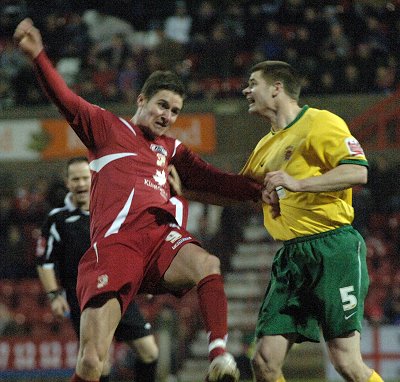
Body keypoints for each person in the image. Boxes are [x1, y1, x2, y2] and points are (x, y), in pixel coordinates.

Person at [14, 18, 262, 382]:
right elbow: (66, 100)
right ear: (141, 99)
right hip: (116, 247)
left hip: (159, 239)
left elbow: (217, 181)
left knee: (207, 263)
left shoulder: (172, 150)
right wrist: (38, 56)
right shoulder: (107, 129)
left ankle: (219, 357)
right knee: (91, 362)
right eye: (162, 105)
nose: (167, 116)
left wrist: (262, 189)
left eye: (175, 111)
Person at [239, 61, 384, 382]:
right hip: (291, 257)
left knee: (346, 363)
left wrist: (298, 183)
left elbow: (357, 171)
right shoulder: (264, 146)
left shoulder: (321, 122)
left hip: (333, 249)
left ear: (277, 88)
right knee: (263, 361)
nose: (246, 91)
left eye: (253, 83)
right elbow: (237, 191)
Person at [35, 156, 158, 382]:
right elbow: (45, 261)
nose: (81, 184)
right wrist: (54, 295)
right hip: (83, 298)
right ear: (67, 182)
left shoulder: (112, 212)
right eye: (75, 179)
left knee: (149, 351)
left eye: (85, 178)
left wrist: (147, 280)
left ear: (93, 178)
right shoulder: (57, 220)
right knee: (99, 364)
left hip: (119, 291)